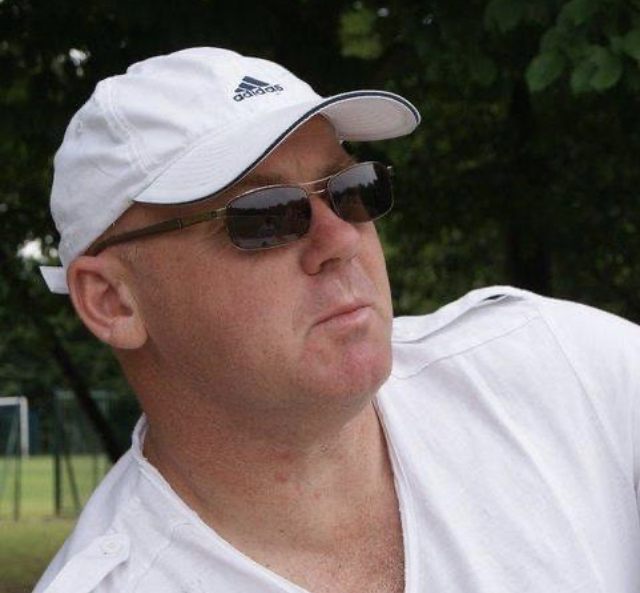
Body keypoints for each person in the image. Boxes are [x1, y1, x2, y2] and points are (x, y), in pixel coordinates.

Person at [33, 47, 640, 593]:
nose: (342, 238)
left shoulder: (564, 372)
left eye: (353, 189)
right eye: (265, 214)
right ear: (113, 301)